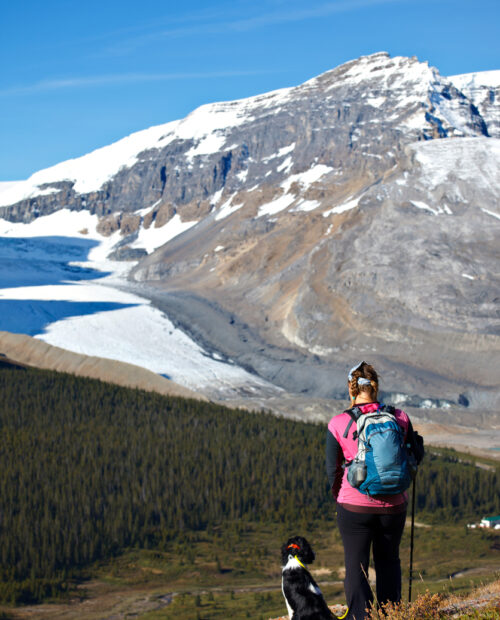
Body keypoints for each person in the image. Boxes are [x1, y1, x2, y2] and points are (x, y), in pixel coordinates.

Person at [326, 361, 418, 620]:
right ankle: (391, 614)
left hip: (354, 506)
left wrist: (341, 498)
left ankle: (360, 617)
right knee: (389, 561)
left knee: (356, 565)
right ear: (376, 387)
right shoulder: (400, 418)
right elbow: (414, 457)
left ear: (351, 388)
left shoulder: (339, 422)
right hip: (395, 505)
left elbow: (332, 471)